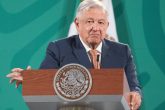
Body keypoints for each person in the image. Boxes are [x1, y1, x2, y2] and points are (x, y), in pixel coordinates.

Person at [7, 0, 142, 109]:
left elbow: (133, 85)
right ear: (77, 24)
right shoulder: (58, 48)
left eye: (101, 22)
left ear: (107, 25)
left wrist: (135, 95)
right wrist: (32, 80)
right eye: (89, 21)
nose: (95, 27)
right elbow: (47, 80)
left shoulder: (122, 51)